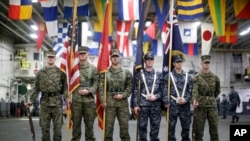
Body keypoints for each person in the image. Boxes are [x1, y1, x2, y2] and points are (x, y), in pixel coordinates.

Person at [25, 49, 66, 141]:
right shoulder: (40, 73)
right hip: (44, 104)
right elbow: (36, 88)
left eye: (52, 57)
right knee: (44, 129)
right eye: (49, 57)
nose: (50, 59)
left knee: (58, 130)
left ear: (55, 58)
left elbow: (65, 87)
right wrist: (30, 101)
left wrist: (66, 98)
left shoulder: (61, 72)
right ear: (46, 58)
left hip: (57, 104)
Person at [132, 52, 168, 141]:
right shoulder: (139, 74)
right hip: (143, 105)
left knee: (155, 128)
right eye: (147, 59)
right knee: (142, 128)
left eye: (151, 59)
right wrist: (135, 105)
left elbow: (163, 90)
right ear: (144, 61)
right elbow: (136, 90)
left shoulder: (159, 75)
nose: (149, 61)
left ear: (153, 61)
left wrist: (156, 97)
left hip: (155, 105)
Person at [65, 46, 99, 141]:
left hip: (89, 102)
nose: (82, 55)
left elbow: (96, 83)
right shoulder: (73, 69)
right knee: (76, 127)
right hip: (76, 102)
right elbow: (67, 84)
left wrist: (89, 91)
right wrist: (67, 97)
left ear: (87, 54)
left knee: (89, 127)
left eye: (84, 53)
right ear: (78, 55)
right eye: (80, 53)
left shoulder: (93, 68)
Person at [98, 49, 132, 141]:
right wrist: (103, 101)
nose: (115, 58)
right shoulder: (105, 73)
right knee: (108, 130)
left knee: (124, 129)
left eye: (117, 56)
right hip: (109, 104)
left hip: (123, 104)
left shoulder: (127, 72)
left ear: (120, 58)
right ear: (110, 58)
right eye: (113, 56)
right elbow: (101, 88)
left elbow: (129, 87)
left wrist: (123, 95)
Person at [191, 55, 220, 141]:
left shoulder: (215, 78)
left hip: (212, 107)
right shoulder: (196, 77)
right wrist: (194, 100)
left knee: (214, 130)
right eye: (205, 63)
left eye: (208, 63)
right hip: (200, 107)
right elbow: (194, 91)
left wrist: (210, 98)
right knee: (198, 131)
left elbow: (217, 91)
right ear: (201, 63)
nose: (207, 64)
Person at [166, 55, 193, 141]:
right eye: (177, 62)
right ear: (173, 63)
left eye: (180, 62)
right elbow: (164, 90)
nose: (179, 63)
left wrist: (186, 99)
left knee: (186, 127)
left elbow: (191, 90)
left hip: (185, 106)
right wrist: (166, 101)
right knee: (171, 128)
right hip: (173, 105)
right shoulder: (168, 76)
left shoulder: (188, 76)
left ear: (182, 63)